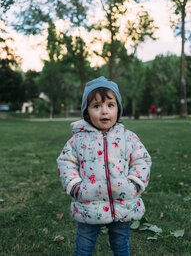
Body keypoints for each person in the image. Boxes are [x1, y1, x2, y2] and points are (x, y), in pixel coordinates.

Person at [57, 76, 152, 256]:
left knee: (121, 244)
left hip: (122, 202)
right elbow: (66, 162)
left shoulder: (128, 138)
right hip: (88, 203)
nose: (104, 112)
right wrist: (75, 187)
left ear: (118, 109)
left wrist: (134, 184)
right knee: (84, 246)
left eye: (110, 105)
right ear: (87, 112)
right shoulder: (78, 139)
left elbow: (142, 160)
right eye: (96, 106)